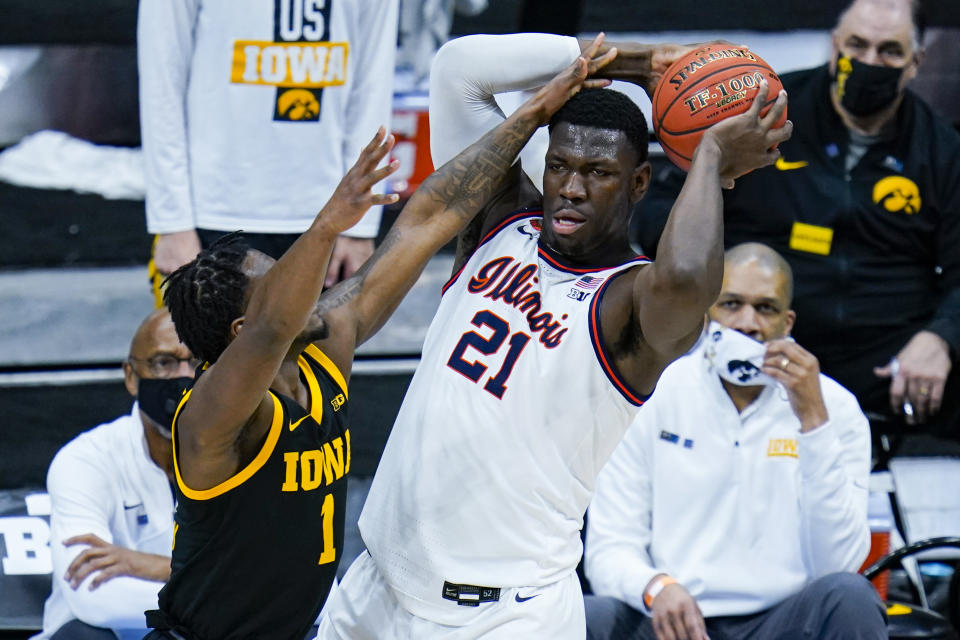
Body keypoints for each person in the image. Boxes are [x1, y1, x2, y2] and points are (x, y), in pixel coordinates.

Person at [318, 33, 791, 639]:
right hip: (376, 592)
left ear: (639, 183)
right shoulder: (501, 217)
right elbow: (459, 69)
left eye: (598, 173)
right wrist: (636, 63)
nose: (571, 188)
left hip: (505, 616)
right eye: (560, 165)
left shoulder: (630, 302)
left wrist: (707, 156)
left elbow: (686, 281)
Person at [143, 39, 616, 640]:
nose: (304, 284)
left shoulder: (321, 351)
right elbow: (268, 329)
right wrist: (329, 225)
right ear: (239, 333)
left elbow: (425, 221)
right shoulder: (210, 416)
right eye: (282, 283)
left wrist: (532, 114)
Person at [639, 0, 960, 445]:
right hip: (753, 333)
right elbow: (657, 212)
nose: (868, 61)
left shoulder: (942, 150)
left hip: (886, 357)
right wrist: (723, 267)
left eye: (889, 51)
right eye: (856, 45)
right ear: (834, 47)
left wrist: (940, 338)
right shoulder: (762, 115)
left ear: (915, 63)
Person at [584, 242, 886, 640]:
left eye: (765, 308)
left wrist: (812, 421)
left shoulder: (835, 408)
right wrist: (656, 587)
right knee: (588, 615)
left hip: (782, 622)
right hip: (673, 619)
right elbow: (610, 547)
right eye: (731, 304)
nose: (747, 323)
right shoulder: (654, 392)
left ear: (787, 323)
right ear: (707, 314)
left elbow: (839, 566)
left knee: (851, 596)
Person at [137, 0, 399, 304]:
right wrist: (172, 224)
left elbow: (372, 84)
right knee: (206, 352)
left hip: (326, 215)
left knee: (320, 352)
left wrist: (360, 226)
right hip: (210, 213)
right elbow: (162, 85)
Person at [34, 309, 196, 640]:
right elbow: (94, 597)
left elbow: (283, 581)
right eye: (164, 363)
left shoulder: (248, 453)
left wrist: (158, 567)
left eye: (196, 362)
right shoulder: (86, 459)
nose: (183, 377)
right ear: (131, 377)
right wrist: (217, 591)